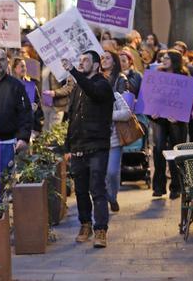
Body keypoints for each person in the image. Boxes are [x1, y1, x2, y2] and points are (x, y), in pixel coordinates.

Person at [62, 51, 114, 248]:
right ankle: (85, 225)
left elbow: (93, 90)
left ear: (96, 65)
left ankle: (101, 230)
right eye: (80, 60)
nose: (81, 63)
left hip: (97, 146)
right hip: (78, 146)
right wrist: (68, 146)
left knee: (97, 188)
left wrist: (74, 71)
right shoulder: (77, 87)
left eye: (85, 60)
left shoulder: (102, 84)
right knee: (81, 190)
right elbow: (72, 116)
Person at [151, 50, 191, 199]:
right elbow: (151, 97)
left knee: (176, 152)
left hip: (176, 120)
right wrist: (152, 114)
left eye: (167, 58)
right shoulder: (157, 75)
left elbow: (189, 99)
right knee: (159, 151)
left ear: (174, 60)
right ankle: (159, 187)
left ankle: (177, 186)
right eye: (163, 57)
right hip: (160, 119)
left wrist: (180, 117)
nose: (163, 59)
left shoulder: (184, 76)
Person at [106, 91, 132, 213]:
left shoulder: (114, 95)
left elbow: (127, 113)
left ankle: (112, 197)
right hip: (95, 143)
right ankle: (103, 200)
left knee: (112, 172)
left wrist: (107, 114)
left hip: (114, 142)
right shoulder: (87, 96)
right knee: (98, 174)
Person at [11, 58, 43, 135]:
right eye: (21, 66)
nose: (24, 69)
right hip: (15, 127)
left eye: (25, 66)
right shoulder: (10, 85)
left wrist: (37, 128)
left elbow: (38, 106)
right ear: (15, 69)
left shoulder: (32, 86)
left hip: (30, 126)